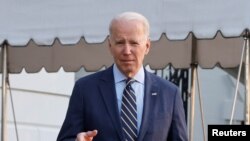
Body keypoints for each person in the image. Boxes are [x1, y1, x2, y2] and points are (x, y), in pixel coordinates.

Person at [57, 11, 188, 141]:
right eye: (120, 43)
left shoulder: (170, 94)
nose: (126, 51)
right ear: (110, 45)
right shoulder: (85, 89)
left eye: (134, 43)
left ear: (147, 46)